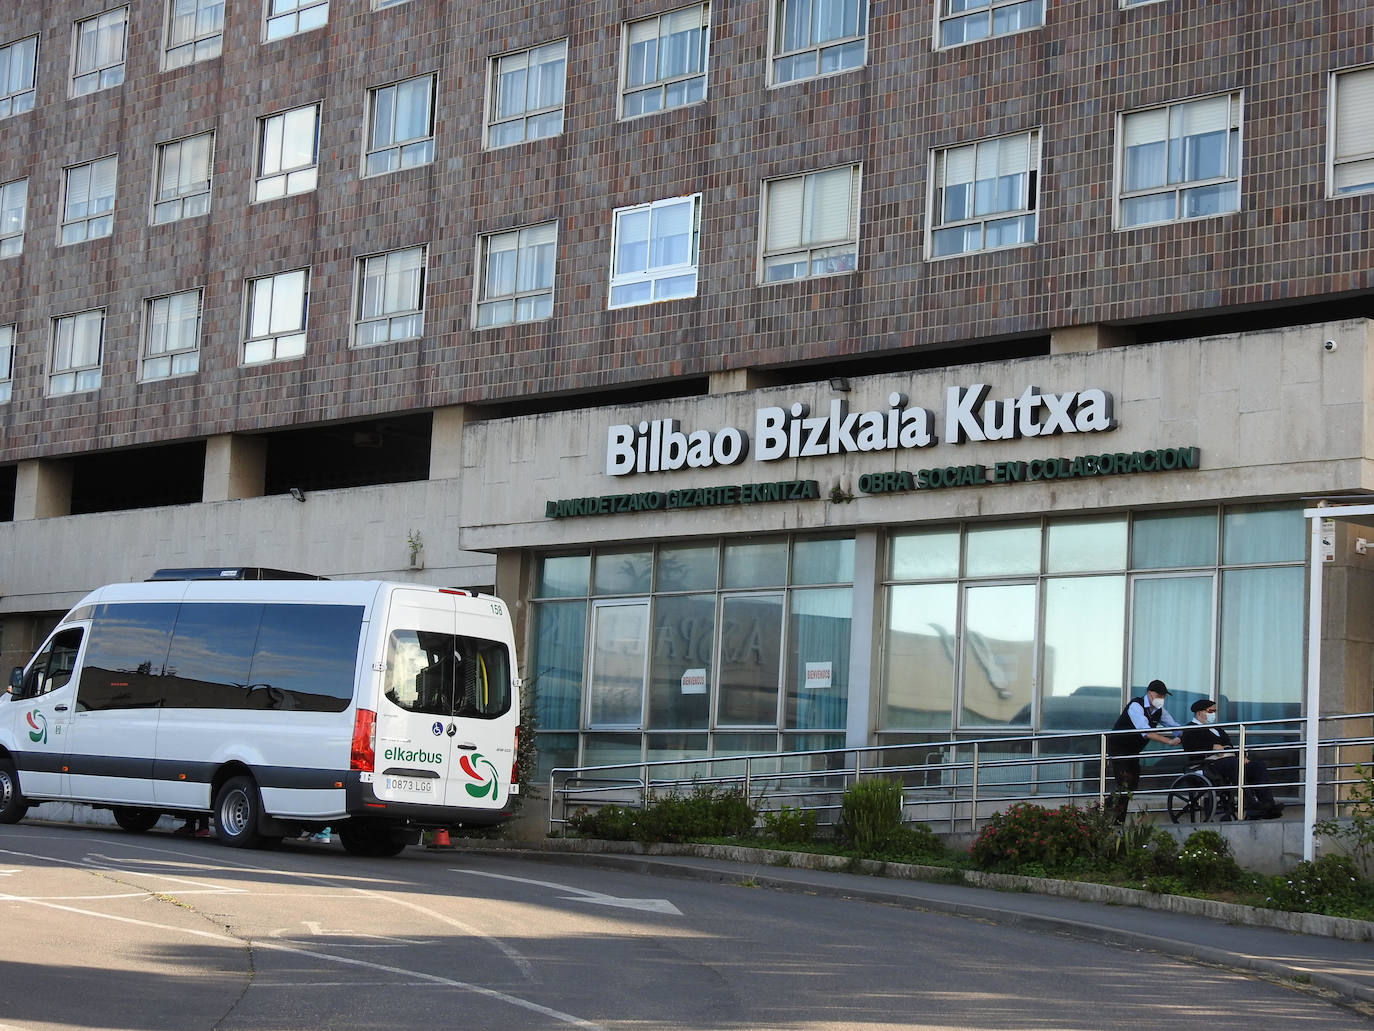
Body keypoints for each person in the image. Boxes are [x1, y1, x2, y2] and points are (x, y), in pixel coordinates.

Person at [1180, 698, 1283, 819]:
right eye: (1210, 711)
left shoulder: (1217, 729)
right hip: (1208, 764)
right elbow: (1190, 747)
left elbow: (1229, 745)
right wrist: (1211, 747)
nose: (1212, 714)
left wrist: (1241, 756)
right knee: (1233, 764)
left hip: (1228, 761)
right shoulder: (1190, 729)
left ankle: (1268, 805)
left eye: (1214, 711)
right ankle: (1251, 804)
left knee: (1257, 766)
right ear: (1198, 713)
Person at [1106, 679, 1182, 822]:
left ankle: (1107, 805)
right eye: (1159, 695)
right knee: (1124, 781)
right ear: (1149, 693)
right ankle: (1118, 819)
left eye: (1163, 696)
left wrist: (1187, 735)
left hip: (1133, 750)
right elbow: (1145, 731)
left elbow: (1174, 725)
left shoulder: (1159, 711)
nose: (1161, 699)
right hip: (1119, 747)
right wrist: (1169, 741)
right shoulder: (1136, 706)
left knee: (1132, 784)